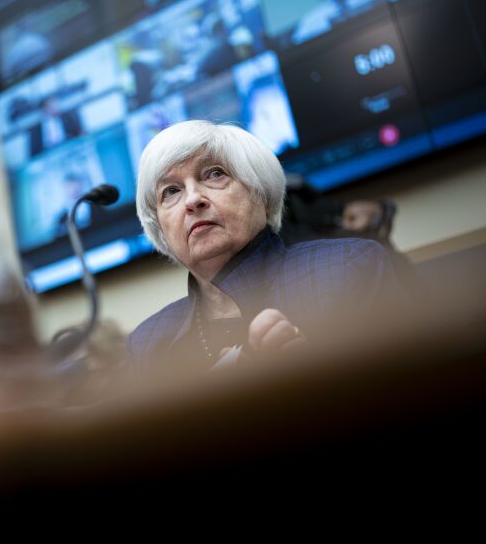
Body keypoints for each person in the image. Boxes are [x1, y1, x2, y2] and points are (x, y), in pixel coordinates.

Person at [127, 120, 406, 373]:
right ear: (160, 228)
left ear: (262, 193)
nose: (193, 200)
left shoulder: (350, 268)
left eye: (214, 174)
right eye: (171, 191)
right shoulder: (147, 344)